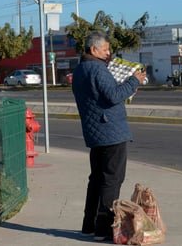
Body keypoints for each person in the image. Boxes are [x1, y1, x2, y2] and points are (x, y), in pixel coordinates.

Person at [72, 30, 146, 241]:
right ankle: (103, 228)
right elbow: (114, 95)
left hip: (95, 131)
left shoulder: (80, 70)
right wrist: (134, 81)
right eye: (105, 49)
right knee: (111, 180)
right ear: (94, 50)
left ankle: (89, 225)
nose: (109, 53)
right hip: (111, 132)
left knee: (96, 179)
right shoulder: (98, 69)